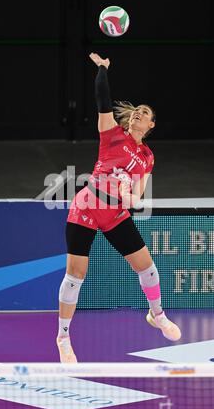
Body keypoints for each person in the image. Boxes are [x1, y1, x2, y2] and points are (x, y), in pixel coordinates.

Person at [56, 52, 181, 363]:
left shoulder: (149, 157)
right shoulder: (111, 134)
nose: (139, 113)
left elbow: (138, 195)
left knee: (147, 268)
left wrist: (128, 197)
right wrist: (102, 69)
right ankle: (63, 337)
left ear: (151, 124)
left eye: (145, 113)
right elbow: (102, 99)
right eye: (137, 110)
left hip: (115, 213)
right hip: (88, 205)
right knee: (76, 274)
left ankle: (158, 315)